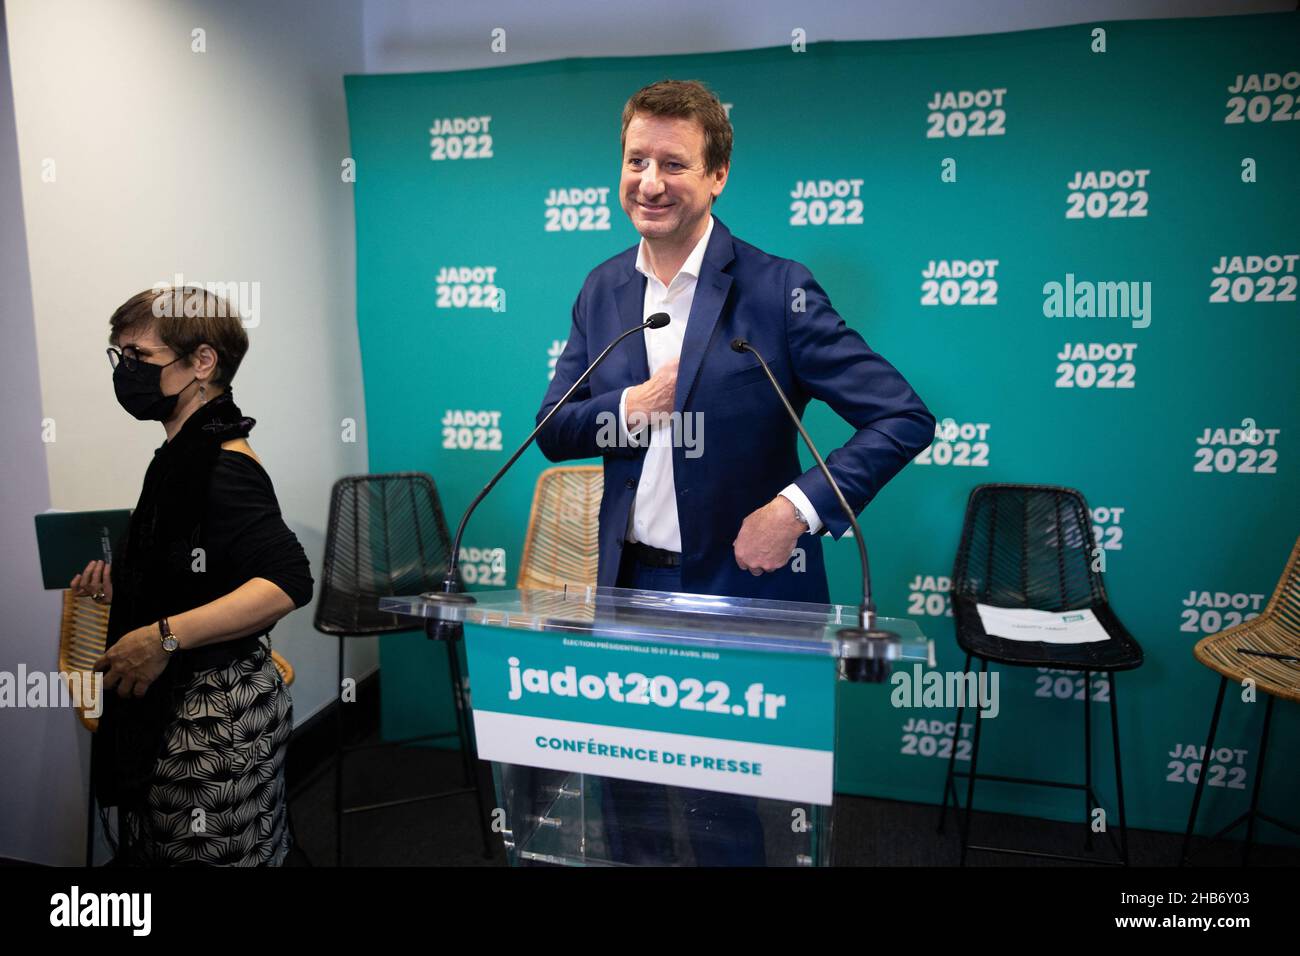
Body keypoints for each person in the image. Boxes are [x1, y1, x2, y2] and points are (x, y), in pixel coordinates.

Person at [535, 80, 935, 865]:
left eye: (673, 164)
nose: (649, 182)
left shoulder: (777, 289)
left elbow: (903, 416)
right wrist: (636, 404)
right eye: (636, 160)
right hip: (630, 587)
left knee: (722, 810)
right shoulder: (603, 286)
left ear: (717, 175)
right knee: (628, 795)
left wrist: (794, 508)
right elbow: (554, 429)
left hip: (739, 590)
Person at [71, 285, 314, 866]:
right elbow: (200, 572)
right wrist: (127, 585)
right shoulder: (183, 454)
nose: (125, 372)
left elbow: (287, 580)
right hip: (186, 715)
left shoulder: (223, 464)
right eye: (119, 357)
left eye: (140, 358)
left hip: (212, 725)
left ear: (202, 363)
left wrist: (163, 636)